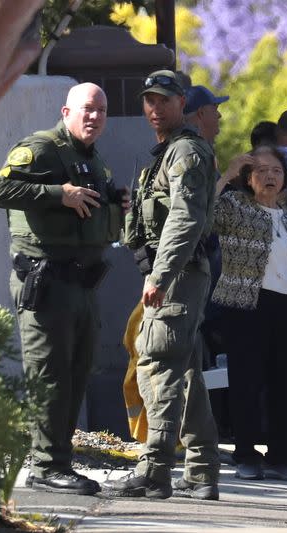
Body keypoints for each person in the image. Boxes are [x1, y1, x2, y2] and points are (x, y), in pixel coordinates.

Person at [0, 83, 126, 495]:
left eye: (101, 111)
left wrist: (115, 200)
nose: (95, 117)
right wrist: (57, 194)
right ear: (66, 111)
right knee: (50, 376)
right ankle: (47, 467)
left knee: (75, 373)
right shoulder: (43, 147)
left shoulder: (93, 160)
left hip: (82, 284)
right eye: (87, 109)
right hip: (46, 283)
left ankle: (58, 463)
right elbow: (0, 191)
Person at [103, 70, 221, 501]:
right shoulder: (169, 152)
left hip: (177, 276)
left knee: (157, 366)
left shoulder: (185, 151)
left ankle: (155, 469)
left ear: (182, 103)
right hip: (175, 275)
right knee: (185, 371)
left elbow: (185, 219)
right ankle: (202, 471)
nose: (154, 108)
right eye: (148, 100)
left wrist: (161, 274)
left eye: (164, 101)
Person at [211, 145, 287, 482]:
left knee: (284, 384)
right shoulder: (234, 204)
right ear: (248, 178)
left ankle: (281, 457)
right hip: (245, 304)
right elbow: (204, 216)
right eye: (260, 170)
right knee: (246, 383)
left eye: (276, 170)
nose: (269, 176)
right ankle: (246, 454)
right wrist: (227, 176)